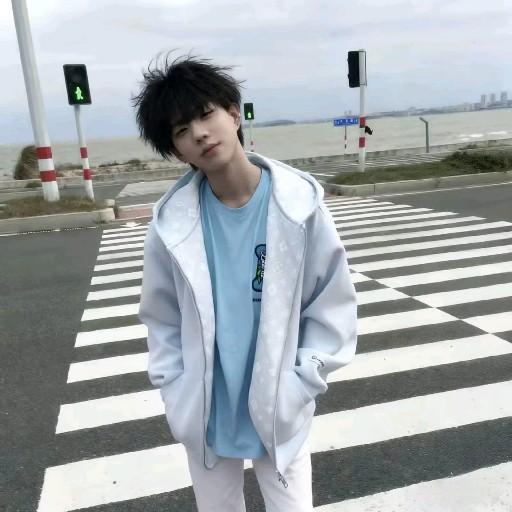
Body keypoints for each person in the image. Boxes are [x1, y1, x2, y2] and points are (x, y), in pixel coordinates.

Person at [134, 52, 357, 512]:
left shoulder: (298, 207)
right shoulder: (171, 226)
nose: (199, 133)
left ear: (234, 114)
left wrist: (303, 381)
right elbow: (161, 317)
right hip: (207, 408)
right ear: (176, 150)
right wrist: (175, 390)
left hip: (280, 404)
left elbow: (330, 302)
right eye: (181, 131)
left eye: (205, 114)